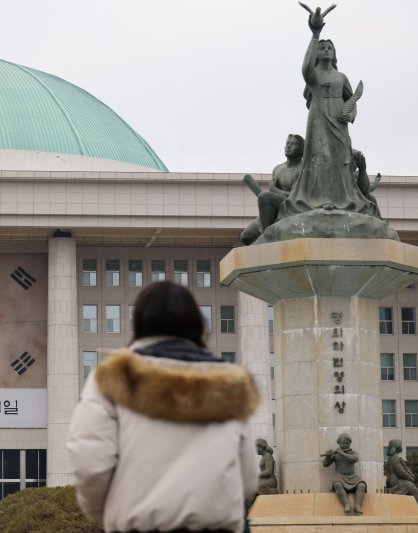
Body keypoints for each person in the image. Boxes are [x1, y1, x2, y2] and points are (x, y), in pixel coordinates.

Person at [66, 281, 259, 533]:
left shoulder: (115, 375)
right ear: (197, 324)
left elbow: (90, 460)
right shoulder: (230, 381)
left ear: (140, 322)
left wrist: (101, 513)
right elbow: (248, 475)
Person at [279, 6, 375, 218]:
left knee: (341, 158)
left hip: (339, 121)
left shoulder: (341, 77)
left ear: (334, 54)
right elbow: (304, 68)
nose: (325, 50)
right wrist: (315, 34)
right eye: (322, 48)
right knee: (320, 157)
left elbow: (352, 99)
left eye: (329, 48)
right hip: (319, 119)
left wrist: (351, 114)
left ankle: (342, 200)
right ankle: (319, 200)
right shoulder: (313, 75)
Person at [240, 134, 305, 245]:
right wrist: (273, 192)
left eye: (293, 144)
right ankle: (267, 232)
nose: (288, 147)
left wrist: (274, 190)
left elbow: (295, 197)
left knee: (264, 196)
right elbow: (272, 197)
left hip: (291, 207)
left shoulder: (302, 169)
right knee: (245, 237)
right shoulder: (278, 168)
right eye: (287, 144)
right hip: (275, 209)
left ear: (301, 150)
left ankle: (268, 236)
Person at [322, 433, 367, 513]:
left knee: (362, 485)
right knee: (337, 484)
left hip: (352, 476)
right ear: (339, 443)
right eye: (344, 443)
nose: (346, 445)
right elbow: (325, 464)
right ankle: (346, 504)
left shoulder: (353, 453)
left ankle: (357, 505)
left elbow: (354, 459)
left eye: (347, 443)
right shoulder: (335, 454)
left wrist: (341, 453)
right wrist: (328, 456)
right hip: (340, 476)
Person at [385, 439, 418, 507]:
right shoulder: (395, 457)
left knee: (410, 488)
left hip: (391, 480)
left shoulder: (391, 457)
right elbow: (401, 472)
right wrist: (410, 478)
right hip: (394, 481)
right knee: (414, 489)